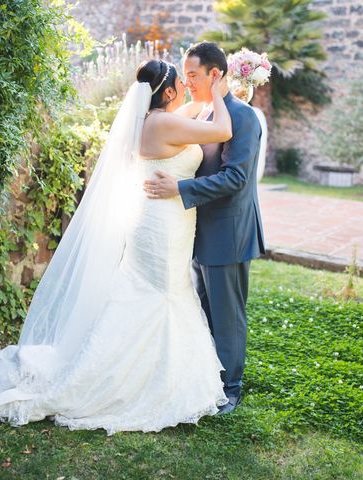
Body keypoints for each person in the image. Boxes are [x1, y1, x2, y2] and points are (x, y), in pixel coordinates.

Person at [0, 58, 235, 435]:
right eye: (181, 81)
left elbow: (195, 111)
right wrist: (221, 89)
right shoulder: (165, 123)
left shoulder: (150, 121)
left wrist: (205, 95)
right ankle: (130, 380)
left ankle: (151, 369)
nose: (185, 87)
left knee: (151, 290)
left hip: (156, 220)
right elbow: (221, 129)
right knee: (160, 293)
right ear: (169, 92)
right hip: (164, 223)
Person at [144, 42, 266, 414]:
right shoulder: (205, 112)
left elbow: (235, 179)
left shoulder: (242, 117)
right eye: (185, 75)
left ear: (216, 74)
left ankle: (231, 387)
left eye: (194, 75)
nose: (187, 82)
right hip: (195, 230)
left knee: (227, 315)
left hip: (228, 232)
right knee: (205, 309)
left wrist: (179, 188)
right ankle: (209, 376)